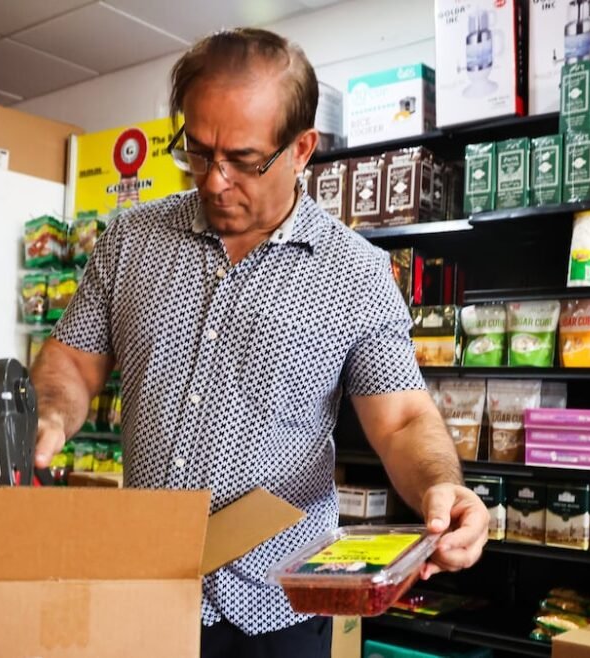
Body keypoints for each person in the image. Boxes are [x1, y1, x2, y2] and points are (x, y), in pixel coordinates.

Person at [29, 27, 489, 658]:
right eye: (197, 151)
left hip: (279, 613)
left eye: (244, 159)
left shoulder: (354, 272)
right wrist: (51, 410)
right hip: (142, 593)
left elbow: (403, 420)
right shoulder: (130, 239)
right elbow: (72, 364)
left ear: (302, 149)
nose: (215, 181)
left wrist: (443, 486)